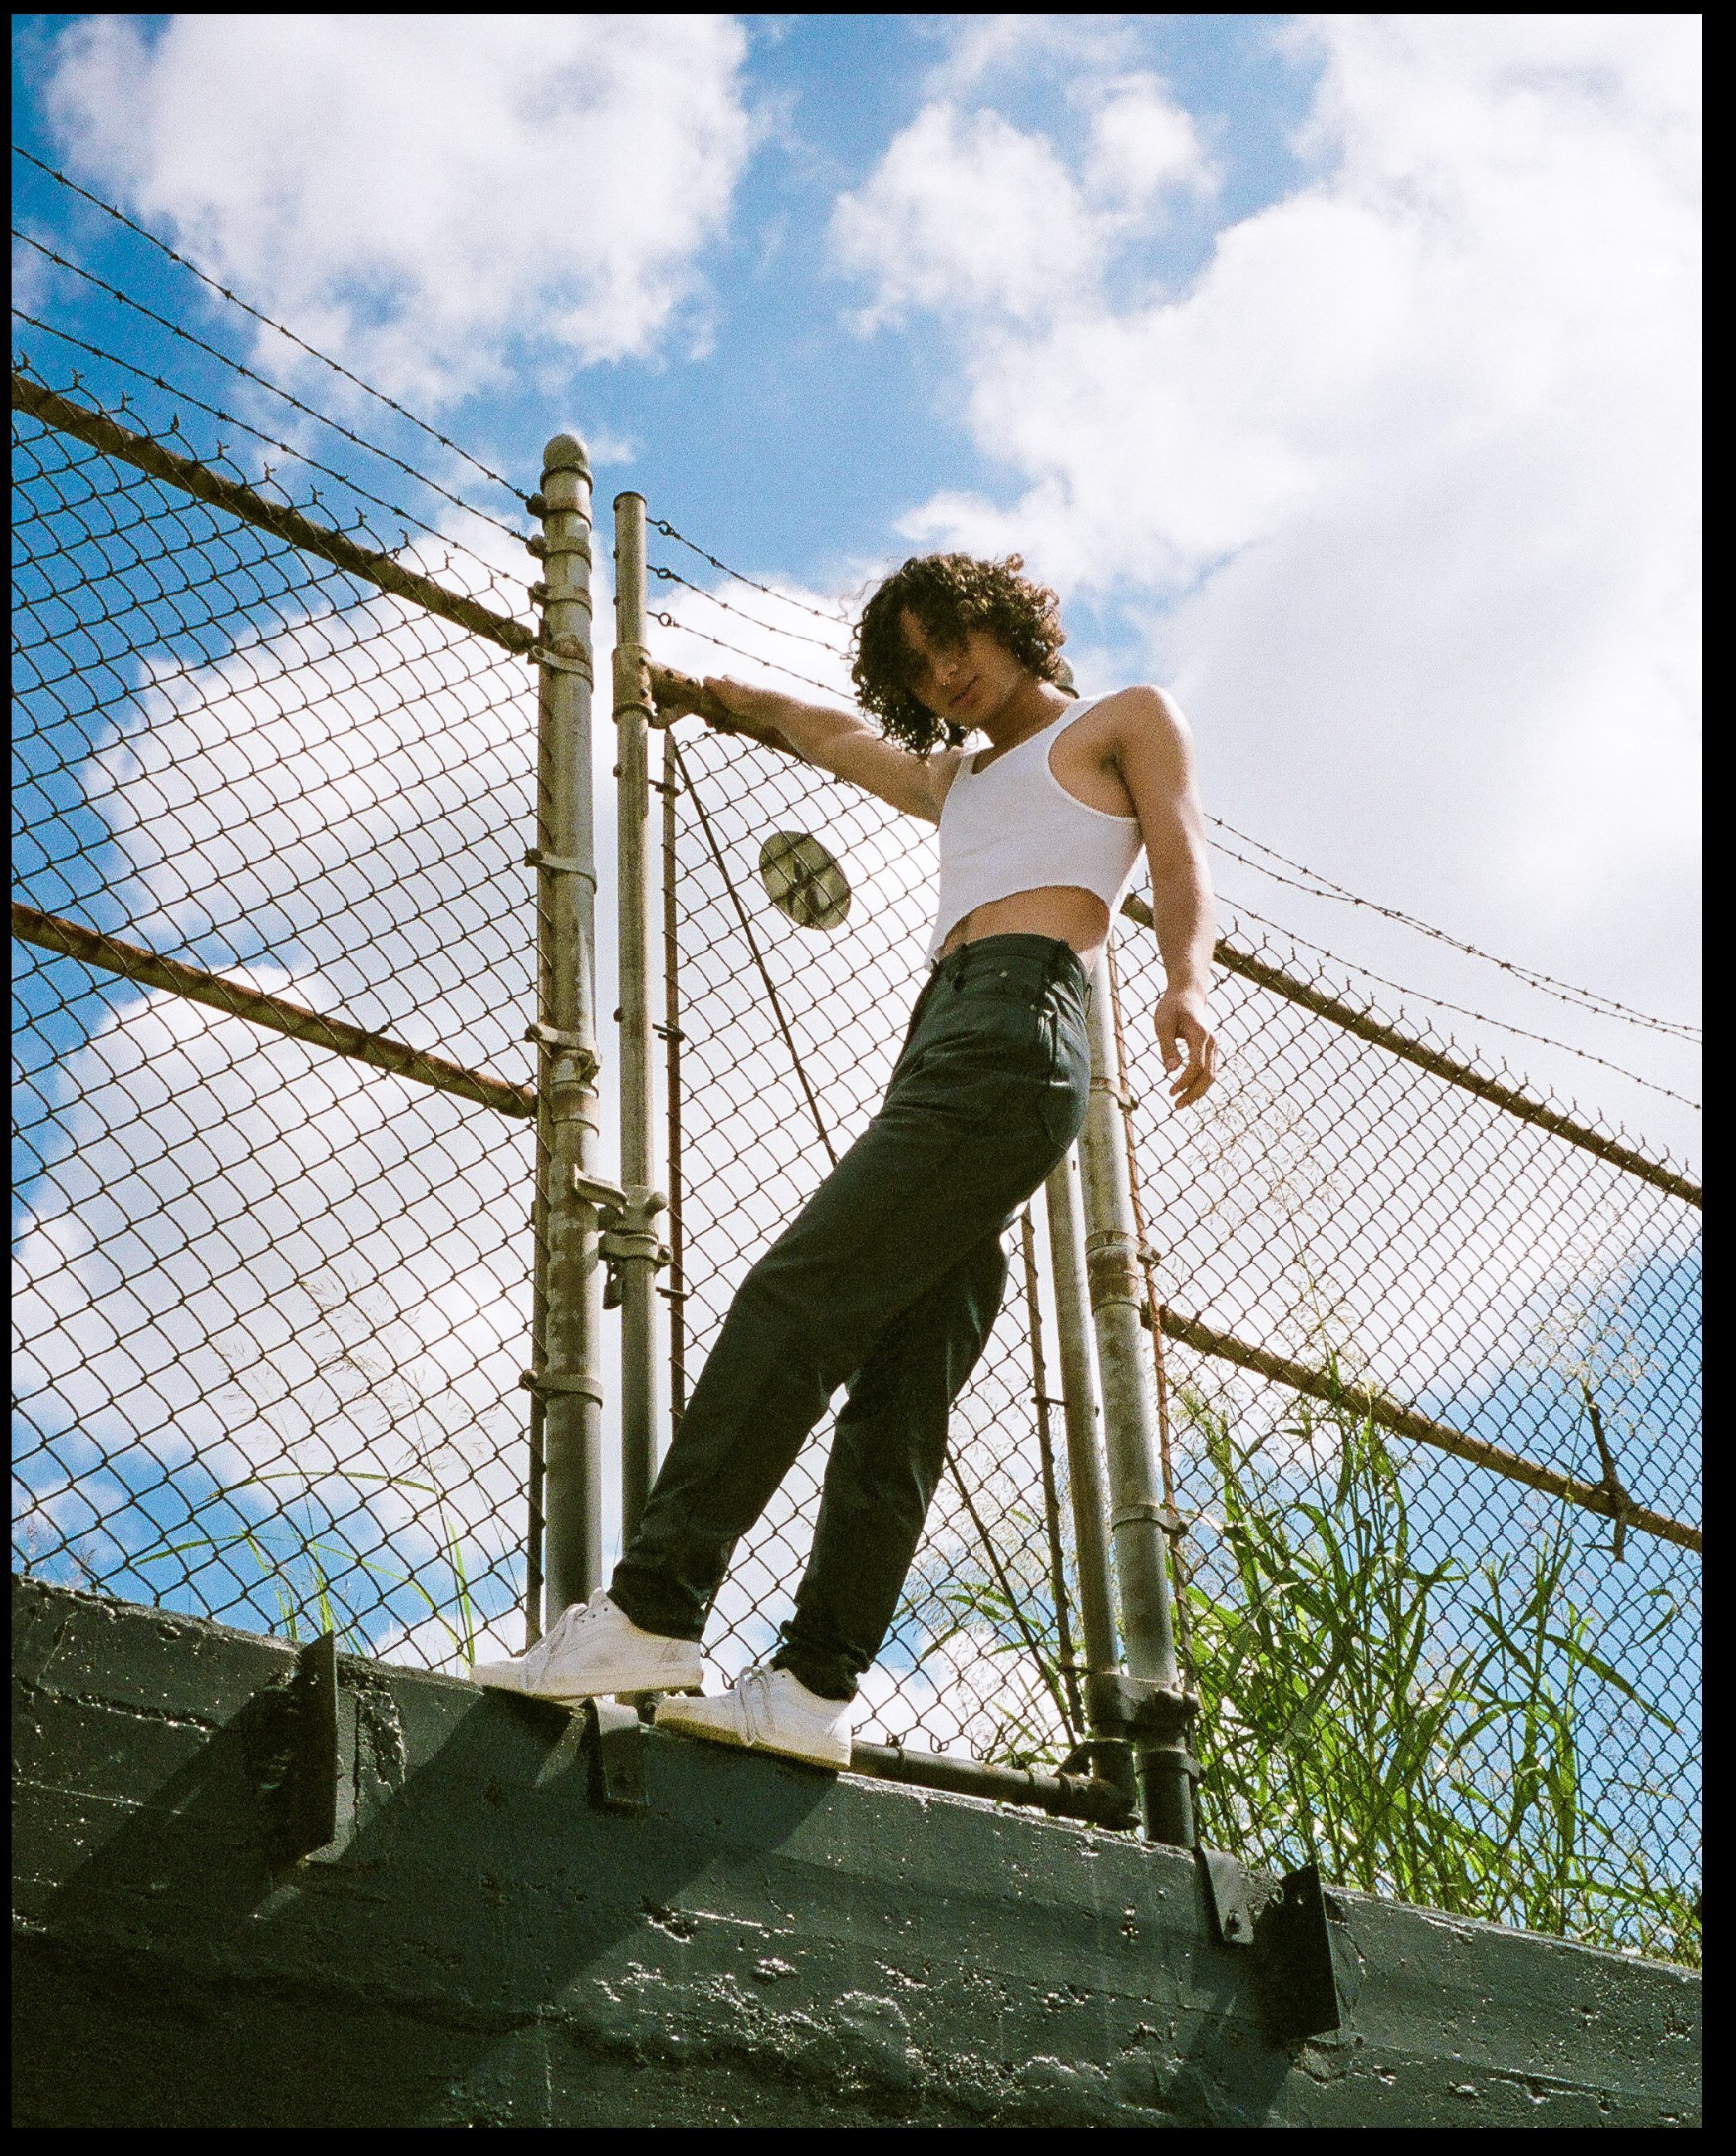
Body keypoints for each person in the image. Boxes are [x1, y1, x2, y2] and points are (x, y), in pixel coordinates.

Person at [470, 551, 1217, 1767]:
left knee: (796, 1295)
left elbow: (1179, 853)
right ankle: (815, 1686)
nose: (947, 673)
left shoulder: (1122, 720)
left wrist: (1186, 982)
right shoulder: (956, 781)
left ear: (1006, 617)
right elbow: (822, 736)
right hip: (947, 1041)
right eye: (918, 665)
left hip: (1017, 1029)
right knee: (904, 1379)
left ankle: (655, 1608)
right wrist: (701, 689)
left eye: (955, 639)